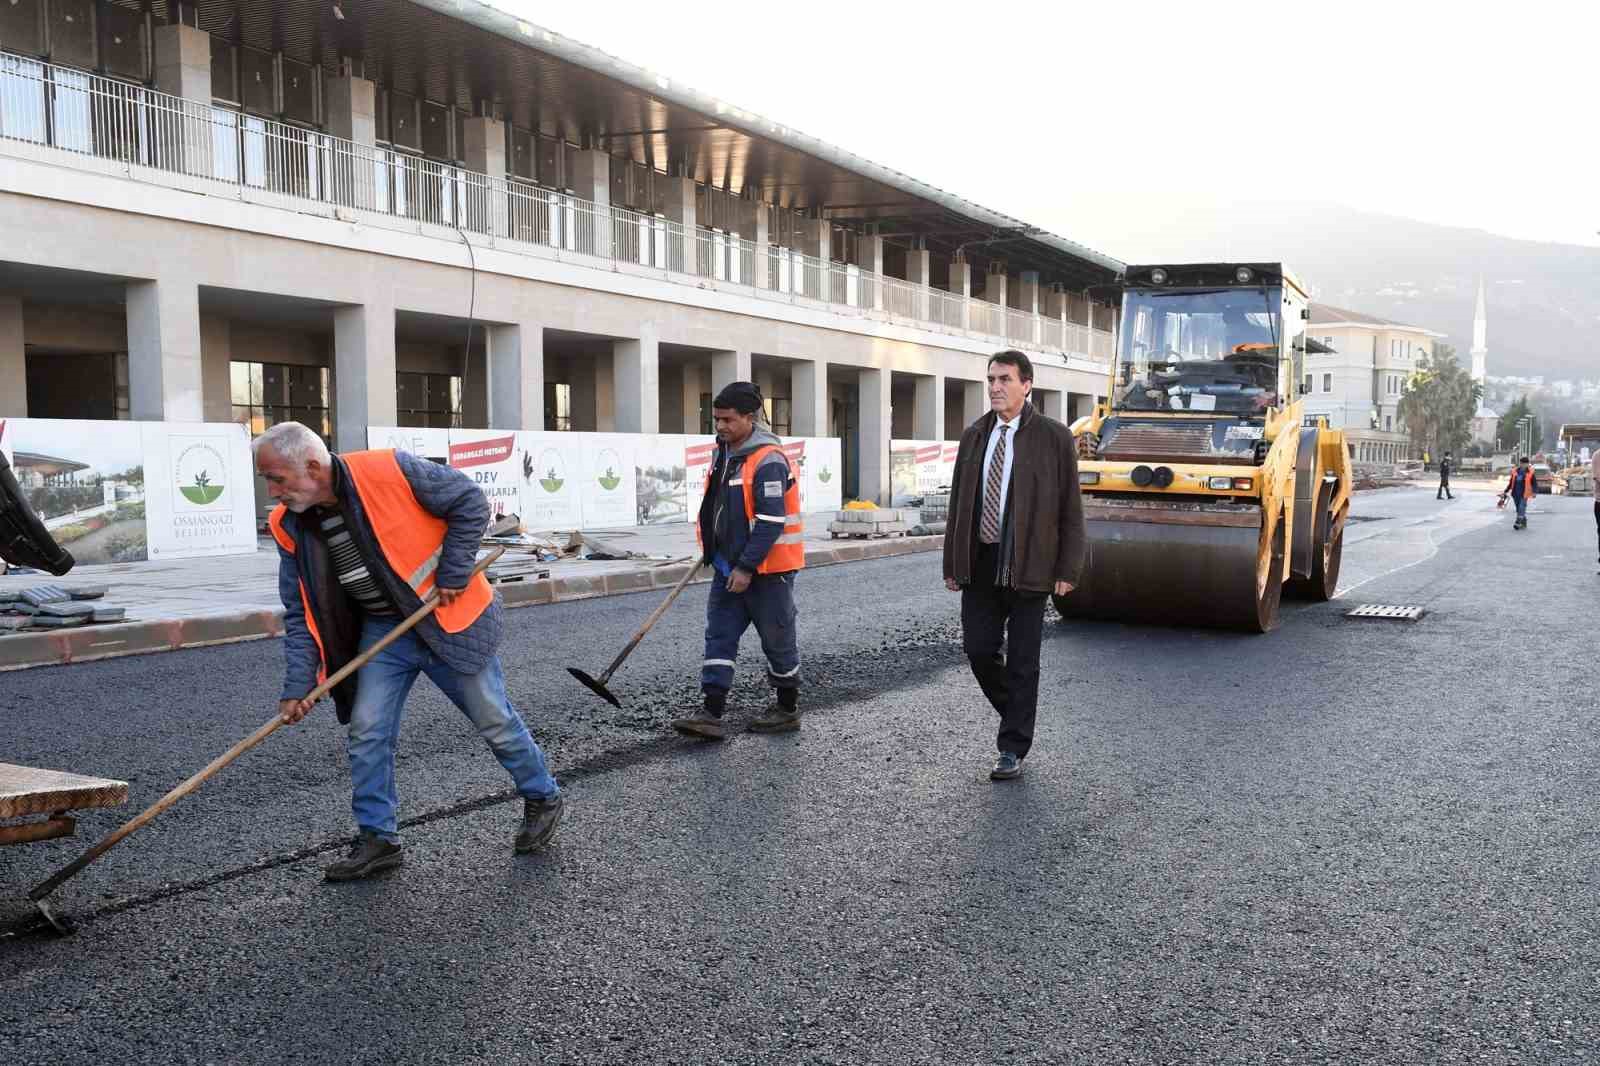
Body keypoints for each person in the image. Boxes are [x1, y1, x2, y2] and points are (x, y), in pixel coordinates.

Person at [256, 422, 563, 881]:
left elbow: (469, 501)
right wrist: (299, 685)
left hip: (447, 620)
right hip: (385, 632)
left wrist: (456, 569)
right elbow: (300, 611)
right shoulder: (288, 526)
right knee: (368, 730)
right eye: (268, 480)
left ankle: (542, 795)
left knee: (494, 718)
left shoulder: (388, 470)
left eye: (277, 478)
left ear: (313, 467)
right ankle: (378, 838)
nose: (273, 491)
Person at [943, 350, 1087, 781]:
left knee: (1024, 661)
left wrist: (1067, 569)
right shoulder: (974, 436)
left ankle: (1012, 747)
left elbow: (1070, 510)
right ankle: (1019, 713)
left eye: (1004, 379)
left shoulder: (1055, 438)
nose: (995, 387)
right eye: (991, 379)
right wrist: (952, 562)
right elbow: (958, 505)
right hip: (982, 561)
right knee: (979, 650)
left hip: (1031, 563)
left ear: (1027, 384)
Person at [671, 381, 805, 740]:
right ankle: (711, 713)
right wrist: (713, 550)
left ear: (750, 417)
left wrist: (747, 567)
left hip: (768, 572)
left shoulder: (769, 460)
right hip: (728, 567)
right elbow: (718, 508)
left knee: (778, 640)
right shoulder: (724, 453)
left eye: (727, 420)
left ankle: (787, 709)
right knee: (719, 635)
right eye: (716, 419)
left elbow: (771, 521)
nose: (720, 427)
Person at [1499, 455, 1536, 531]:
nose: (1523, 465)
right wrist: (1505, 491)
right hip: (1515, 493)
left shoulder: (1530, 473)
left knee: (1521, 507)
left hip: (1524, 493)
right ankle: (1524, 521)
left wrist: (1534, 492)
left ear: (1527, 464)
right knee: (1518, 509)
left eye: (1525, 463)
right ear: (1520, 463)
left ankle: (1518, 522)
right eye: (1522, 463)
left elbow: (1534, 483)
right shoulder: (1515, 471)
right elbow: (1510, 483)